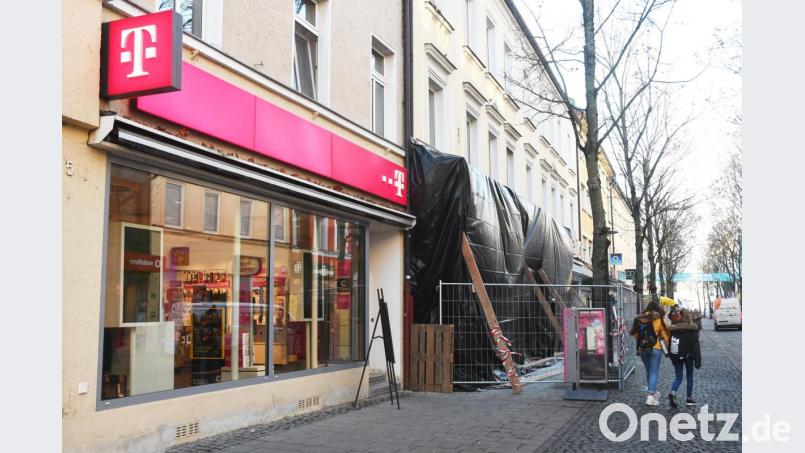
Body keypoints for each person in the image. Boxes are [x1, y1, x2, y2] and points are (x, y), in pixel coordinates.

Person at [630, 300, 670, 406]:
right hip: (656, 347)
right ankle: (650, 396)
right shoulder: (659, 319)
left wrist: (642, 341)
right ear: (657, 309)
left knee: (649, 371)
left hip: (643, 348)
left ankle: (653, 391)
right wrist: (666, 344)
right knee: (653, 372)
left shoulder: (640, 319)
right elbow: (665, 334)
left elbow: (633, 333)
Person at [667, 308, 702, 408]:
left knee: (678, 377)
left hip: (677, 356)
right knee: (689, 377)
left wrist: (671, 356)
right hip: (689, 357)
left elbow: (671, 344)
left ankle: (673, 393)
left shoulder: (674, 329)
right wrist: (698, 361)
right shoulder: (692, 329)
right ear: (689, 317)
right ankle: (689, 398)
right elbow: (696, 347)